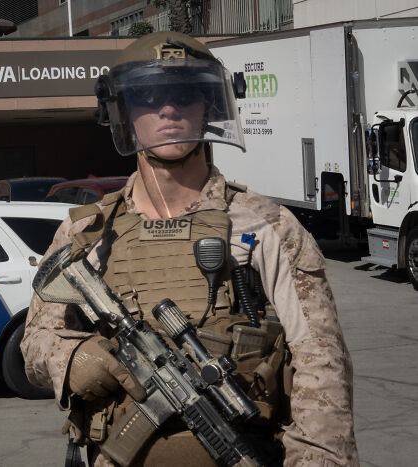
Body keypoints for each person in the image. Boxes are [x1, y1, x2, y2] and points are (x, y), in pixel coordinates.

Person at [21, 31, 358, 466]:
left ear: (210, 106)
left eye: (185, 96)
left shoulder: (266, 225)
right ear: (123, 111)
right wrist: (71, 359)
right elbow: (34, 344)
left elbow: (323, 370)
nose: (168, 109)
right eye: (149, 97)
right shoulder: (87, 235)